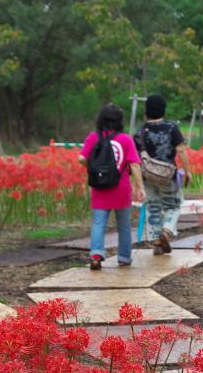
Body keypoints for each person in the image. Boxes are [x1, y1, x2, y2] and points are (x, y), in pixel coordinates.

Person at [79, 103, 145, 270]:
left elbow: (81, 158)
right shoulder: (125, 139)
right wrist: (140, 186)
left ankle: (96, 255)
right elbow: (135, 165)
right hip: (120, 188)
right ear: (119, 120)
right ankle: (123, 257)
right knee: (123, 225)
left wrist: (91, 168)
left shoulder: (94, 137)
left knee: (98, 223)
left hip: (99, 187)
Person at [135, 93, 192, 256]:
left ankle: (157, 243)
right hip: (169, 175)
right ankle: (166, 232)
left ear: (146, 111)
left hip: (148, 176)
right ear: (163, 110)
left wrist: (137, 182)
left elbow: (135, 159)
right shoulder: (171, 127)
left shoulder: (140, 131)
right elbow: (181, 149)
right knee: (173, 206)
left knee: (153, 207)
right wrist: (187, 171)